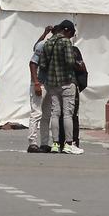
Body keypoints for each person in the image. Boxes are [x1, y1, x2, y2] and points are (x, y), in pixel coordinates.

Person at [39, 20, 83, 155]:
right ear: (67, 31)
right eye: (72, 33)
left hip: (52, 84)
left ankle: (55, 144)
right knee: (68, 114)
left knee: (55, 114)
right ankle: (68, 144)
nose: (71, 36)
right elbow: (69, 61)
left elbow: (43, 64)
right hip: (67, 82)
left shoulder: (48, 43)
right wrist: (77, 64)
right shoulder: (66, 42)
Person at [27, 25, 57, 153]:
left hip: (49, 84)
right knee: (36, 113)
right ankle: (32, 143)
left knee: (46, 115)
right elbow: (33, 63)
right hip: (40, 82)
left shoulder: (56, 46)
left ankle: (44, 143)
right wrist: (36, 83)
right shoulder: (44, 45)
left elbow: (35, 46)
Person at [57, 44, 87, 149]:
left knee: (58, 115)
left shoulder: (52, 48)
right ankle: (71, 142)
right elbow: (82, 68)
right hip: (70, 84)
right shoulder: (72, 50)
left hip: (55, 85)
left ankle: (59, 142)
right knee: (70, 115)